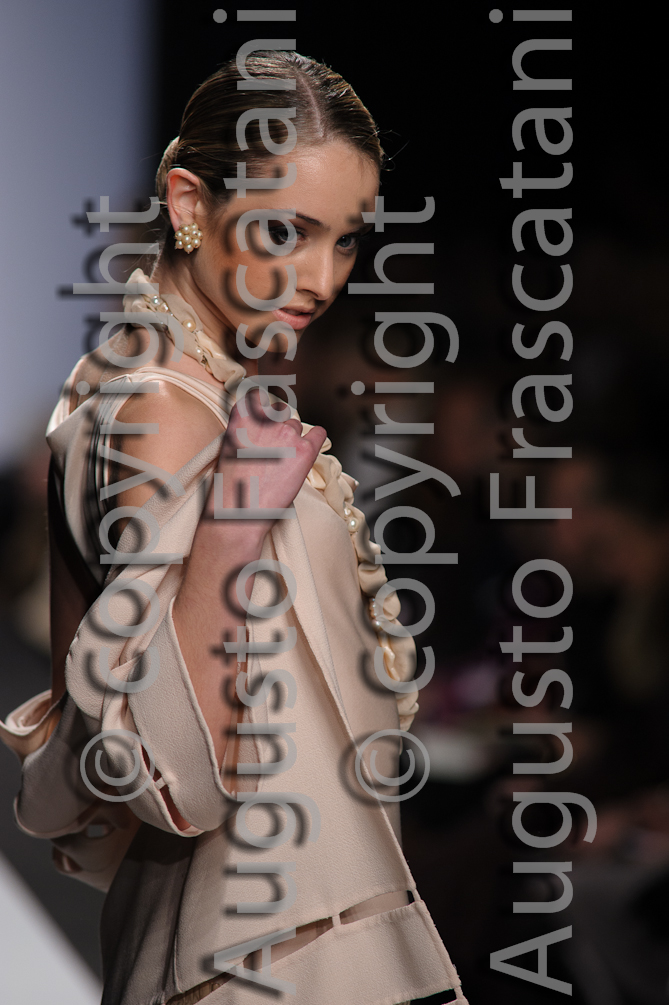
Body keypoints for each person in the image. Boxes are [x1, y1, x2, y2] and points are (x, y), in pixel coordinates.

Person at [0, 52, 467, 1005]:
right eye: (287, 230)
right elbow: (173, 776)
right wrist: (227, 530)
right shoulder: (158, 409)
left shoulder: (174, 391)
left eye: (345, 240)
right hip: (260, 955)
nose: (321, 278)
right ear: (188, 202)